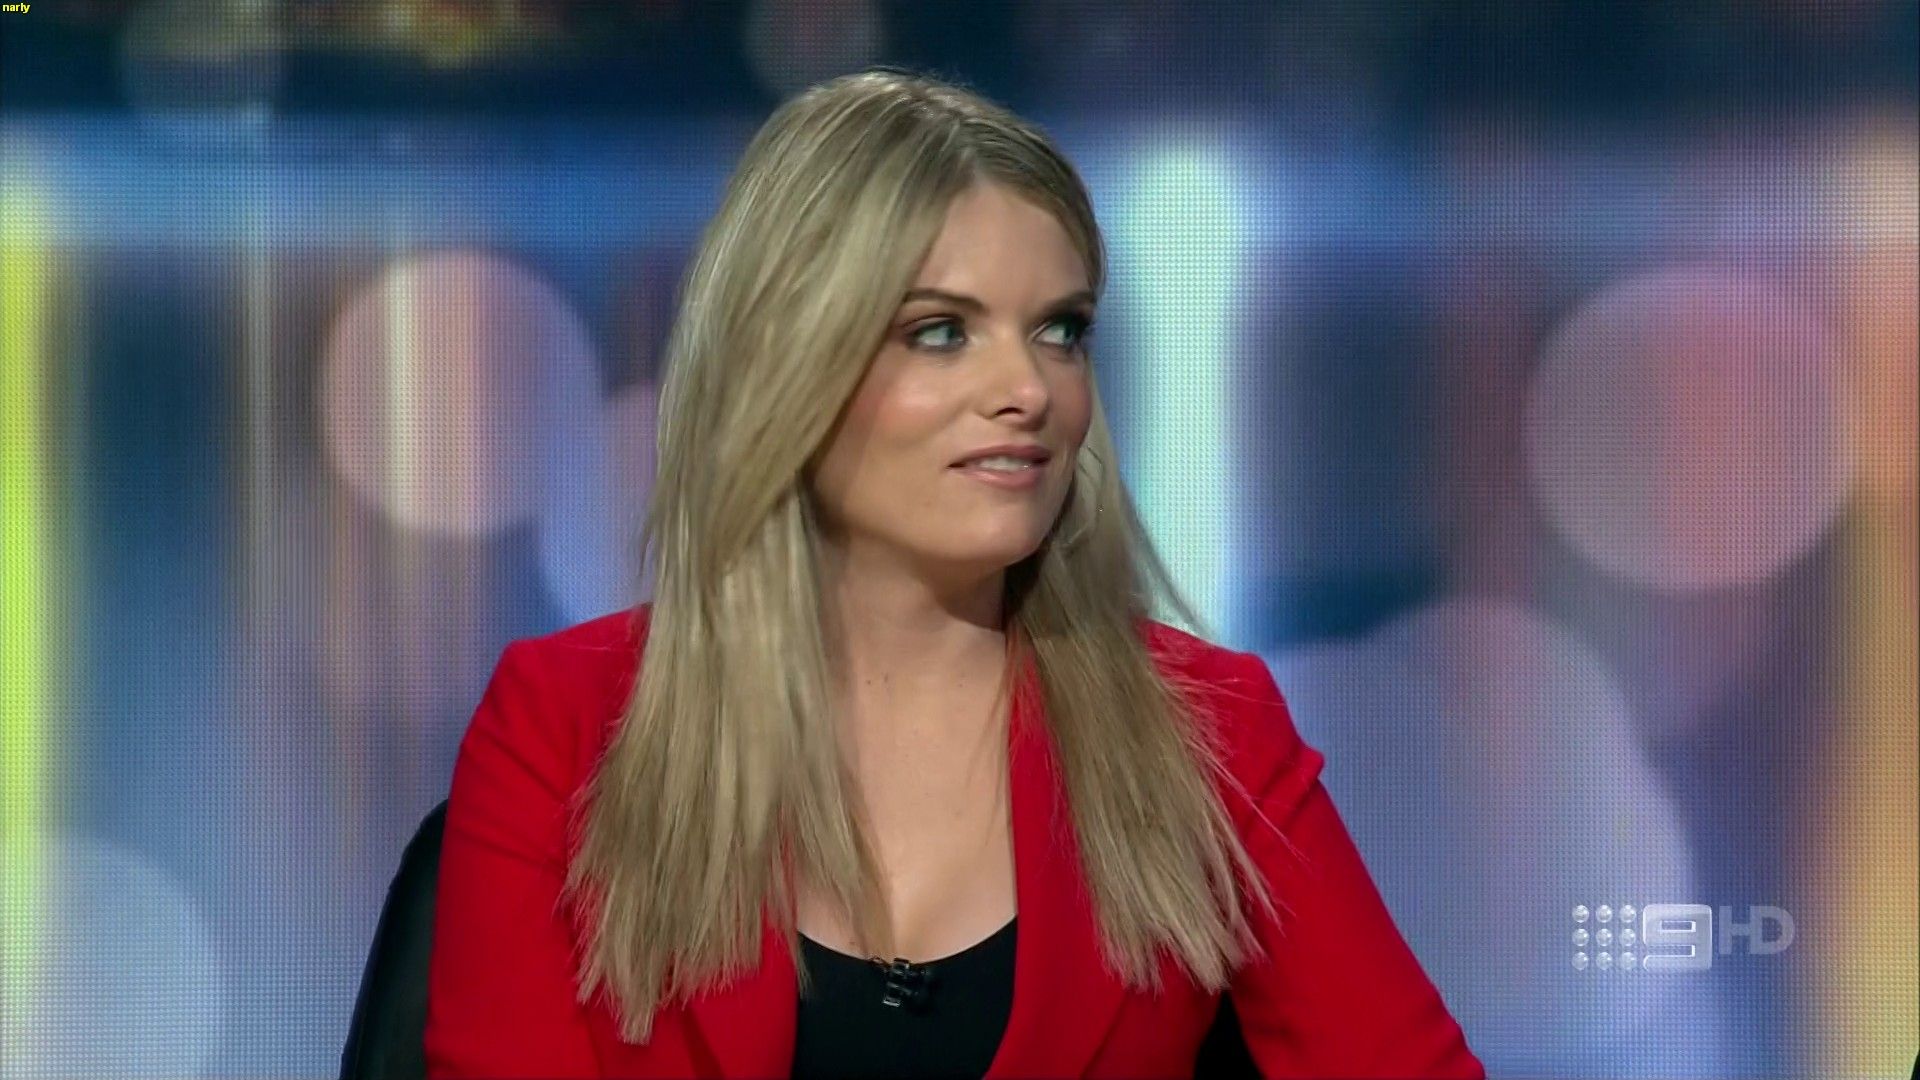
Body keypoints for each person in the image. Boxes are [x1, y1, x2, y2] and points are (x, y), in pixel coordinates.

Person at [424, 67, 1484, 1079]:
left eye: (1060, 331)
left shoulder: (1208, 733)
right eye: (940, 332)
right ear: (782, 362)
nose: (1029, 389)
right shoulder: (563, 727)